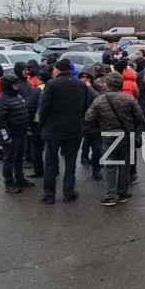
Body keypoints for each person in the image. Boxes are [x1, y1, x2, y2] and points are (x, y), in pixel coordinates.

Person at [83, 72, 145, 206]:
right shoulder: (129, 99)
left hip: (108, 136)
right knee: (124, 165)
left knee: (109, 165)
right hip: (126, 136)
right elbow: (140, 118)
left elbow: (88, 118)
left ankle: (109, 196)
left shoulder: (99, 100)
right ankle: (123, 193)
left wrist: (101, 123)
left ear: (107, 84)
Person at [38, 59, 90, 204]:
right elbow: (86, 106)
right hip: (74, 128)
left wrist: (42, 125)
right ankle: (68, 192)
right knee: (70, 161)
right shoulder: (81, 84)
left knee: (50, 163)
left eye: (54, 69)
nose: (53, 71)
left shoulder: (51, 84)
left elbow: (44, 108)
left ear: (59, 69)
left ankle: (49, 195)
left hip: (53, 129)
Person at [0, 74, 34, 194]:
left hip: (21, 133)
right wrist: (6, 137)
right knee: (9, 160)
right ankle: (9, 182)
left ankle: (19, 178)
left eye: (17, 83)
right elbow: (0, 122)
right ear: (8, 85)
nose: (17, 85)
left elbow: (23, 112)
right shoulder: (0, 100)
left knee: (19, 158)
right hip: (11, 137)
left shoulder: (17, 96)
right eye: (15, 84)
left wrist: (26, 128)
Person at [25, 70, 52, 179]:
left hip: (37, 123)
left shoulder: (36, 90)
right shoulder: (53, 88)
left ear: (40, 79)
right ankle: (54, 169)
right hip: (51, 123)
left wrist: (28, 122)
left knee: (36, 148)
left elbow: (30, 107)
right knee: (51, 148)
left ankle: (38, 170)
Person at [78, 68, 104, 180]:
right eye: (82, 77)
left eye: (87, 77)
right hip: (82, 122)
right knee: (86, 142)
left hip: (95, 124)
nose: (84, 79)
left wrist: (90, 88)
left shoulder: (98, 88)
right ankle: (84, 156)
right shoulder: (77, 87)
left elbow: (100, 99)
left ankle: (96, 169)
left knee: (97, 149)